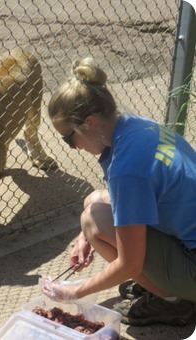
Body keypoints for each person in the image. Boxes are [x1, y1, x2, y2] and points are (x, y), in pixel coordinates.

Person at [41, 57, 196, 326]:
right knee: (93, 201)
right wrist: (84, 238)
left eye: (68, 138)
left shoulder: (127, 168)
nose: (73, 147)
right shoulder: (136, 125)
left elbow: (129, 265)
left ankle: (173, 303)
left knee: (93, 219)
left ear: (88, 123)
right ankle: (165, 285)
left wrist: (74, 292)